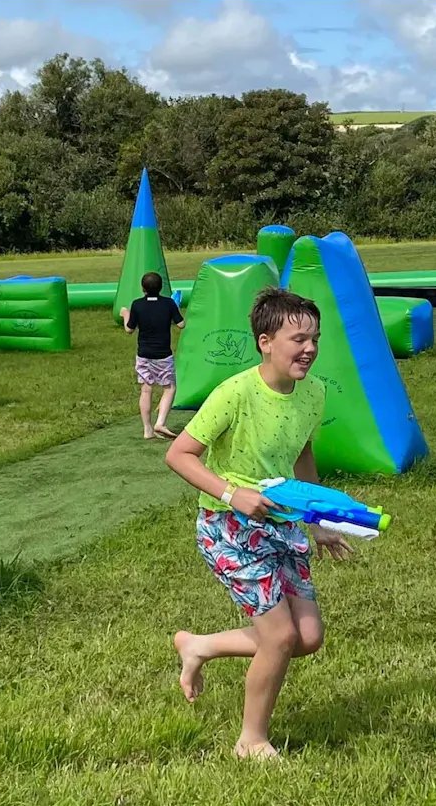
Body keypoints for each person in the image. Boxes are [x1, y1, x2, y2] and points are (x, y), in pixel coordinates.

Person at [162, 287, 354, 761]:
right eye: (297, 338)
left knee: (306, 638)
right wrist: (233, 494)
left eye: (315, 338)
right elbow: (178, 454)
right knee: (279, 637)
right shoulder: (235, 393)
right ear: (266, 341)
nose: (309, 348)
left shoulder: (314, 392)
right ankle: (251, 740)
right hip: (229, 528)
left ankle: (200, 646)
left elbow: (303, 454)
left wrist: (320, 520)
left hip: (283, 524)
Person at [120, 272, 185, 439]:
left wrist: (125, 314)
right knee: (169, 388)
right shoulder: (168, 303)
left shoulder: (137, 305)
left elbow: (129, 329)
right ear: (161, 287)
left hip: (143, 355)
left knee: (146, 390)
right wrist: (174, 308)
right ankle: (160, 422)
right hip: (163, 355)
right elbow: (181, 324)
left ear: (143, 288)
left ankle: (147, 429)